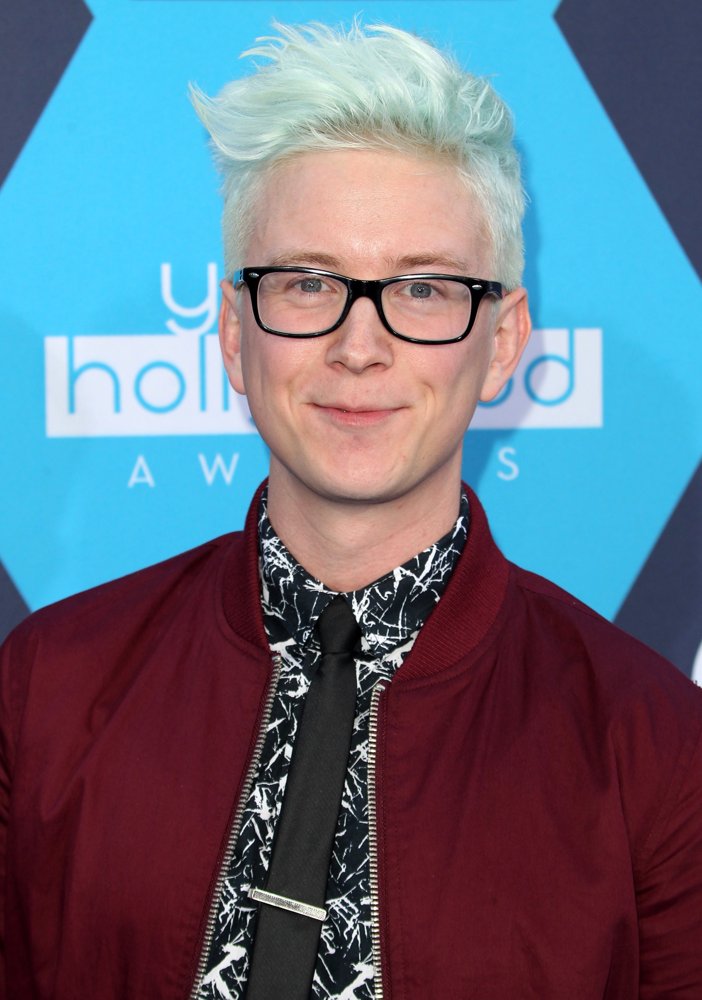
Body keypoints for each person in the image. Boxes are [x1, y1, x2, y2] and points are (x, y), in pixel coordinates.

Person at [1, 20, 701, 1000]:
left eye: (421, 288)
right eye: (308, 282)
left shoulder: (658, 746)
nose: (358, 347)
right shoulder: (42, 694)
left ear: (503, 341)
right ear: (233, 334)